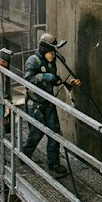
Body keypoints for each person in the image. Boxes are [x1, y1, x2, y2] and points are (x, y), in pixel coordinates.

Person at [21, 33, 80, 177]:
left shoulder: (51, 62)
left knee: (54, 132)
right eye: (50, 53)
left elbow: (56, 81)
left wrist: (69, 83)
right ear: (43, 50)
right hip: (35, 103)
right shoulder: (33, 61)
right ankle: (23, 156)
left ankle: (53, 163)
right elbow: (27, 79)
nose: (53, 56)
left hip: (48, 102)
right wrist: (46, 76)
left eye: (54, 53)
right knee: (36, 133)